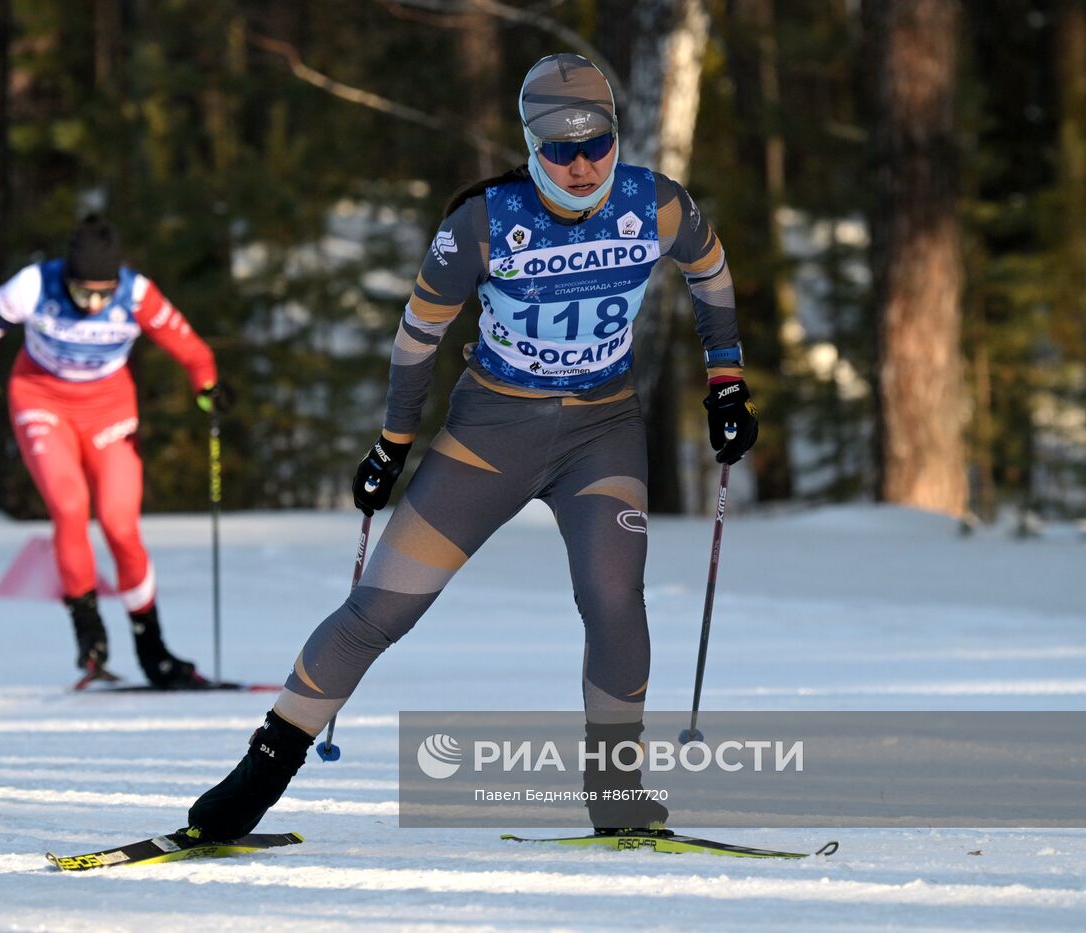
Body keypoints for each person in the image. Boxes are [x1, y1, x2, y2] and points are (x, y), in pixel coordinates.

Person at [183, 53, 759, 840]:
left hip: (602, 432)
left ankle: (618, 796)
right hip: (491, 436)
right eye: (560, 148)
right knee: (379, 611)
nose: (582, 164)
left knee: (614, 600)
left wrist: (725, 381)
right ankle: (254, 782)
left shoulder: (657, 205)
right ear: (530, 146)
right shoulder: (484, 222)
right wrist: (391, 444)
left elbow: (712, 271)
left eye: (596, 142)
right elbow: (417, 339)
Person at [0, 215, 232, 687]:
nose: (95, 303)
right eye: (85, 293)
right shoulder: (34, 284)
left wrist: (207, 386)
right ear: (68, 278)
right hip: (41, 399)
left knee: (120, 525)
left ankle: (153, 648)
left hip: (108, 407)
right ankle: (90, 637)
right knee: (68, 506)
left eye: (104, 293)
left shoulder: (137, 293)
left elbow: (189, 348)